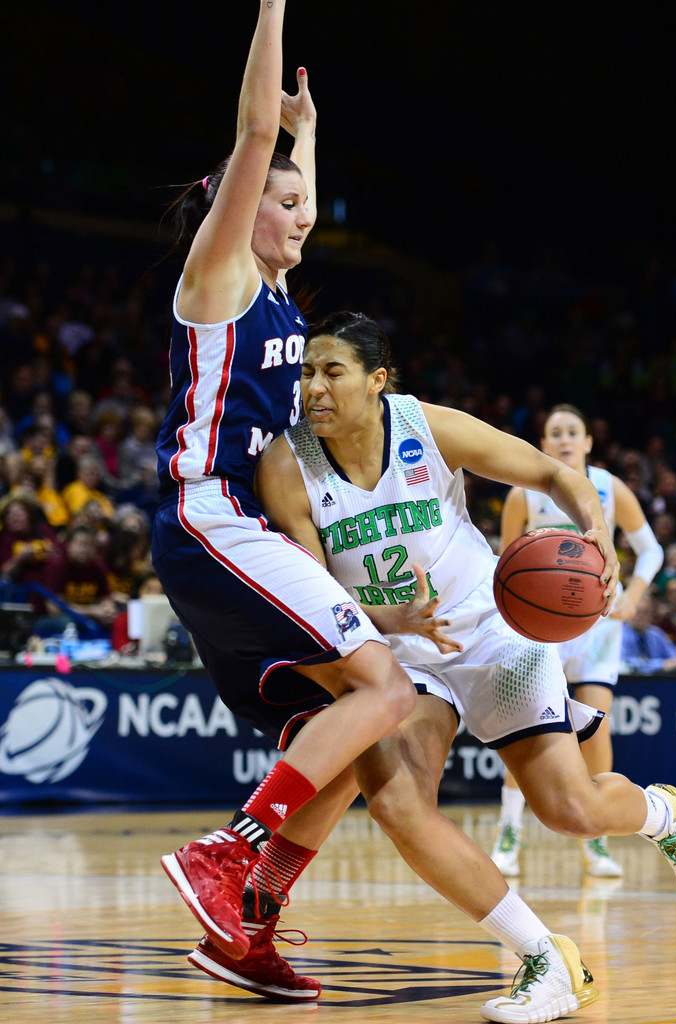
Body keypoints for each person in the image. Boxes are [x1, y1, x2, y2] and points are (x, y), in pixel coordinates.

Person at [250, 311, 676, 1024]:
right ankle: (545, 958)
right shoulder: (287, 464)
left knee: (570, 810)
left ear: (377, 380)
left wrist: (598, 533)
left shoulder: (424, 426)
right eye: (306, 373)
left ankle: (665, 816)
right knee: (397, 805)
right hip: (398, 652)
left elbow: (549, 473)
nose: (314, 387)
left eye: (332, 371)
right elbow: (317, 592)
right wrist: (390, 620)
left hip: (492, 631)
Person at [150, 1, 419, 995]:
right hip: (210, 514)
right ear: (239, 203)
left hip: (239, 529)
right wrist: (271, 11)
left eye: (311, 204)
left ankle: (248, 924)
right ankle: (228, 853)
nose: (305, 215)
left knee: (350, 727)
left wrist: (307, 140)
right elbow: (254, 135)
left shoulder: (272, 292)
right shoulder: (217, 273)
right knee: (387, 687)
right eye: (287, 202)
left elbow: (280, 158)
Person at [490, 404, 665, 879]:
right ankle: (509, 833)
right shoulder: (524, 493)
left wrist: (634, 597)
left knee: (597, 730)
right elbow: (503, 567)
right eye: (556, 433)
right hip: (539, 628)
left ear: (588, 441)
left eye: (573, 432)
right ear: (544, 445)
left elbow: (651, 550)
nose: (565, 439)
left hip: (598, 625)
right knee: (528, 727)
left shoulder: (610, 488)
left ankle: (597, 840)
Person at [620, 594, 676, 673]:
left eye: (646, 612)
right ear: (628, 613)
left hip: (657, 679)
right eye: (638, 612)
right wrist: (661, 665)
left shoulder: (656, 634)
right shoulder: (620, 635)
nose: (641, 617)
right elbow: (625, 664)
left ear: (651, 614)